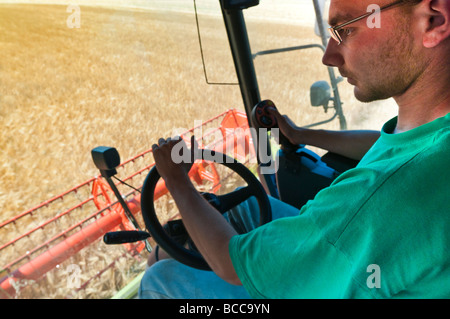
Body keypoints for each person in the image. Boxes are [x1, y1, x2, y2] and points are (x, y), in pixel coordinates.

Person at [139, 0, 450, 298]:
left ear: (433, 20)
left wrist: (176, 179)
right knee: (246, 206)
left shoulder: (374, 203)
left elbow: (230, 265)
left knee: (159, 278)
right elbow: (390, 144)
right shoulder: (432, 135)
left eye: (346, 29)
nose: (329, 56)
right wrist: (301, 134)